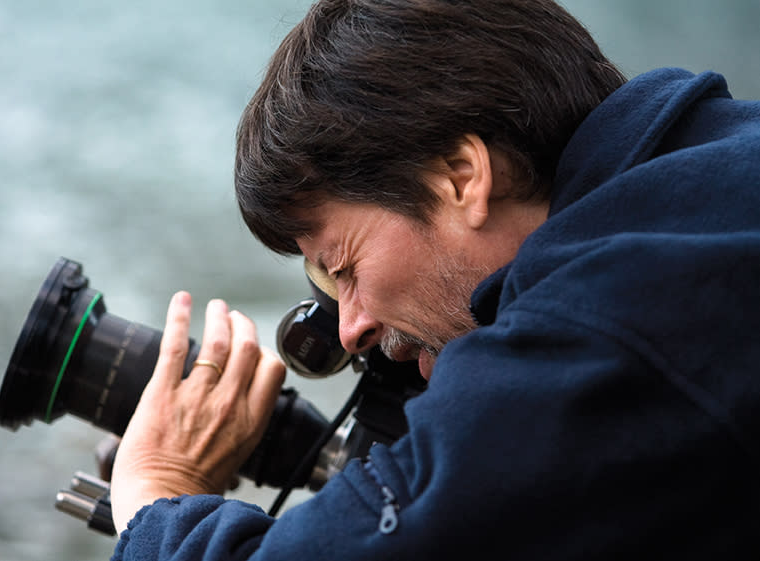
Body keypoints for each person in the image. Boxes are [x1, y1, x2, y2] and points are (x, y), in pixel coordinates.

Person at [109, 0, 760, 558]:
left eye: (345, 268)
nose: (352, 326)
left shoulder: (603, 322)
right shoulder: (713, 164)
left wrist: (157, 490)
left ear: (460, 176)